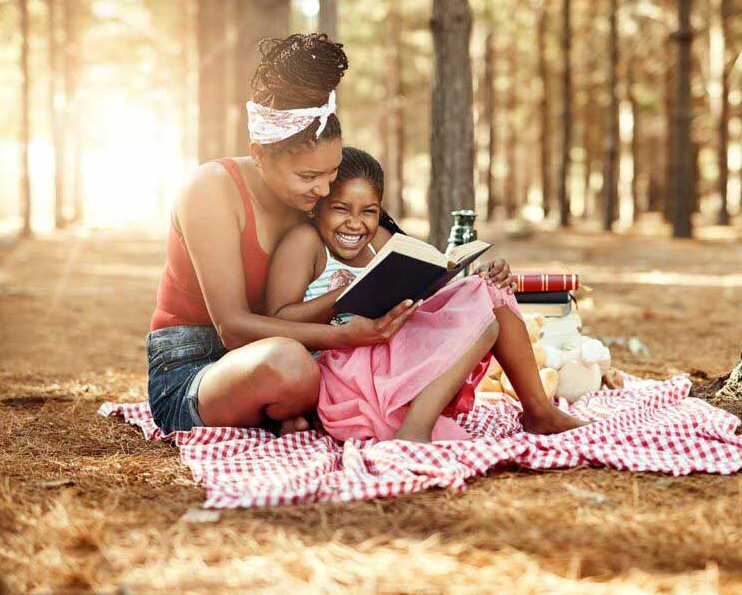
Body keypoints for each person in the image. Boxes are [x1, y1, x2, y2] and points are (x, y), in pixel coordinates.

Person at [146, 33, 511, 437]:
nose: (323, 190)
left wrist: (461, 280)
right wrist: (341, 337)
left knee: (466, 311)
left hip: (302, 351)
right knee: (290, 366)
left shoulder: (313, 197)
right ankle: (293, 410)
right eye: (309, 177)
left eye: (332, 173)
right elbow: (231, 328)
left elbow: (401, 253)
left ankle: (296, 415)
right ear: (260, 154)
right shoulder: (211, 190)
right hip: (194, 367)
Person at [264, 147, 590, 442]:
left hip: (389, 351)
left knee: (490, 293)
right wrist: (345, 295)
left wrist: (477, 277)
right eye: (340, 209)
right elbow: (279, 319)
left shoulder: (379, 238)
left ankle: (539, 412)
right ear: (317, 207)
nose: (355, 223)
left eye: (369, 211)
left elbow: (434, 276)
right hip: (341, 372)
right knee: (484, 323)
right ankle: (414, 431)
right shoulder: (305, 242)